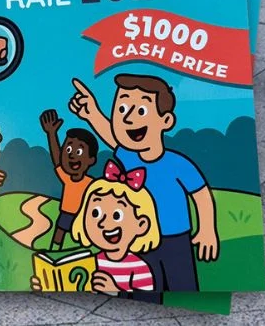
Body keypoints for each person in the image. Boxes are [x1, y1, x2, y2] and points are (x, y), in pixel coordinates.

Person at [70, 74, 217, 293]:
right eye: (121, 109)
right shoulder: (128, 156)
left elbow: (201, 193)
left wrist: (206, 229)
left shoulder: (178, 164)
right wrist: (92, 113)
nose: (128, 118)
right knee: (145, 289)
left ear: (166, 121)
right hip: (140, 238)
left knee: (183, 286)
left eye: (140, 111)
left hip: (175, 239)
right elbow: (114, 137)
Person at [32, 164, 161, 294]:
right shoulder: (91, 262)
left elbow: (148, 298)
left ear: (141, 225)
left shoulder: (139, 267)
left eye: (117, 215)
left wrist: (116, 291)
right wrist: (46, 284)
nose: (104, 222)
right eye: (95, 213)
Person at [39, 108, 98, 250]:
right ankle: (54, 251)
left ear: (91, 160)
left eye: (79, 151)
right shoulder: (68, 178)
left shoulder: (92, 183)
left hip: (83, 215)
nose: (72, 156)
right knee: (59, 234)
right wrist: (52, 134)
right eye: (68, 149)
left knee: (84, 238)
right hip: (66, 213)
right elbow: (57, 160)